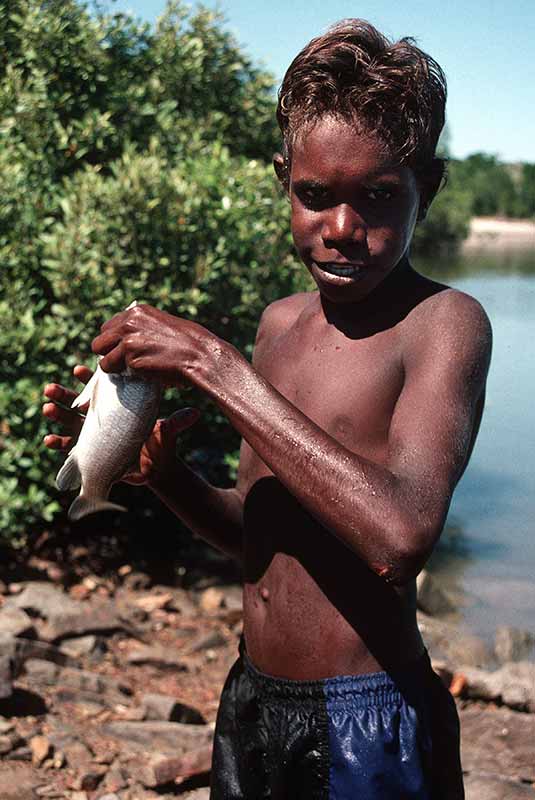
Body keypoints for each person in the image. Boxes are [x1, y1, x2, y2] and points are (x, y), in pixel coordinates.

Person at [43, 19, 491, 799]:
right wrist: (168, 478)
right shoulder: (279, 326)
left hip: (369, 717)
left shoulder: (442, 323)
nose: (342, 229)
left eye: (379, 198)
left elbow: (401, 535)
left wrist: (215, 368)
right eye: (313, 196)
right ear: (282, 177)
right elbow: (258, 539)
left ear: (431, 187)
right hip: (252, 697)